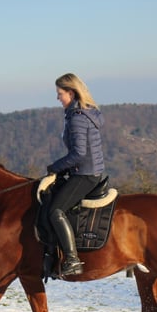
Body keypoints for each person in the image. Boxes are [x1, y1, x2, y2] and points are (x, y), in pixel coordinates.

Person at [46, 73, 105, 276]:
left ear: (71, 93)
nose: (58, 98)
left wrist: (56, 167)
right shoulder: (84, 113)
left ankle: (72, 259)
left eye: (60, 93)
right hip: (86, 170)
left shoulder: (77, 118)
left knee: (55, 211)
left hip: (85, 174)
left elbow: (79, 154)